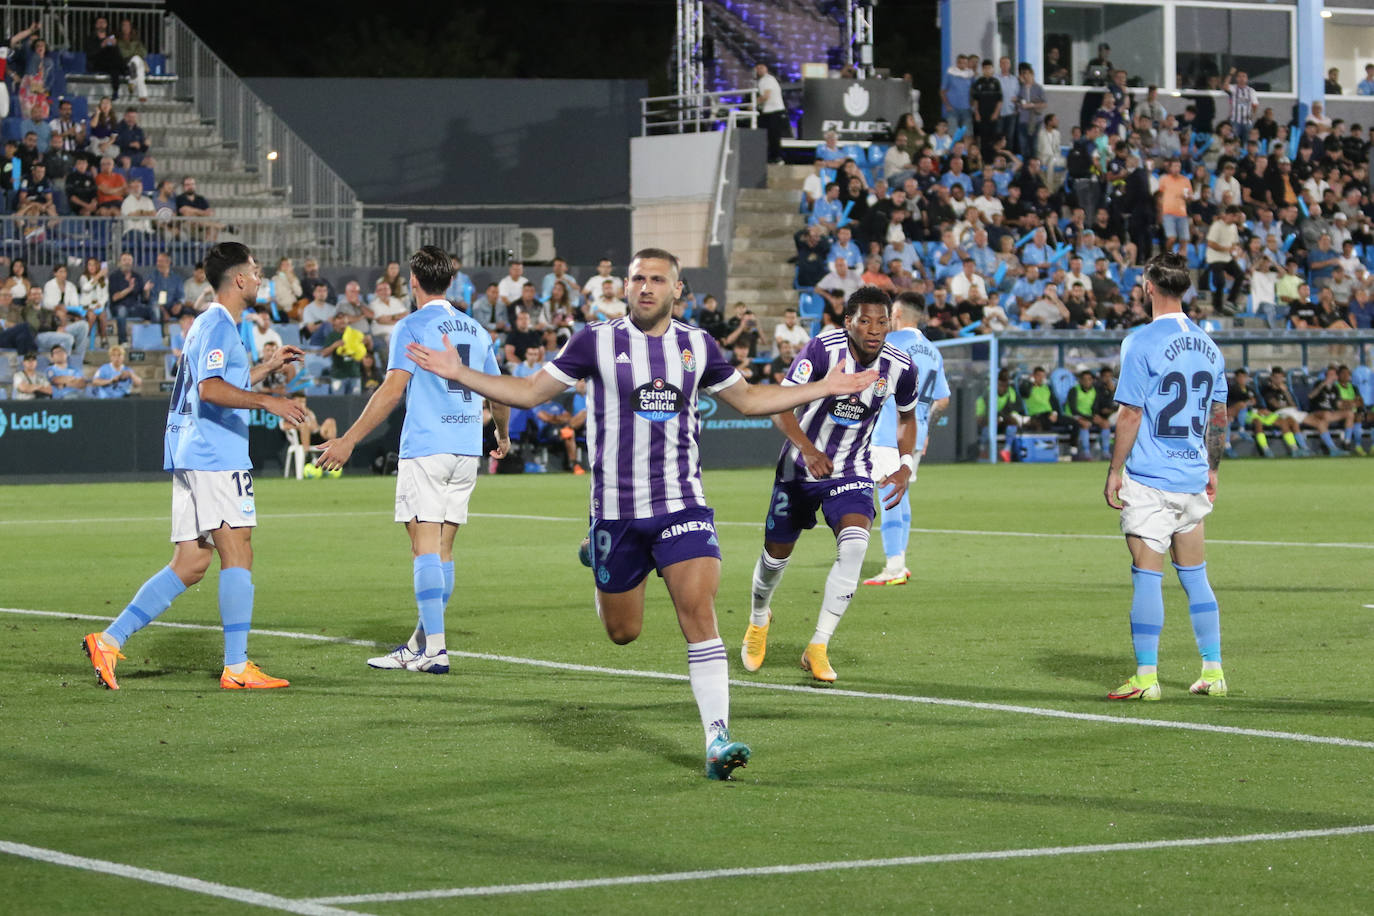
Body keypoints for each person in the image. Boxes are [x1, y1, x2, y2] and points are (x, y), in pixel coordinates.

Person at [403, 248, 878, 779]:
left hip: (682, 504)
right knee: (622, 633)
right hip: (616, 513)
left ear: (677, 291)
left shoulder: (699, 346)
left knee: (699, 614)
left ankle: (717, 737)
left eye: (657, 280)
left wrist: (827, 387)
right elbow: (531, 393)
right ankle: (596, 552)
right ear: (623, 288)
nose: (645, 287)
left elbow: (748, 400)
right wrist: (460, 372)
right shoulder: (594, 341)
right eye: (637, 279)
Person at [81, 242, 307, 691]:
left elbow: (219, 381)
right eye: (257, 271)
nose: (261, 278)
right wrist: (269, 401)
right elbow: (210, 390)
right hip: (215, 455)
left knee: (190, 562)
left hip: (191, 453)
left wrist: (265, 368)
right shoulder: (220, 324)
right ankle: (238, 667)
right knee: (238, 549)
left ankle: (108, 640)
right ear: (239, 278)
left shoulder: (209, 323)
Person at [317, 246, 511, 674]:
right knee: (443, 550)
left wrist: (348, 440)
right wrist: (502, 433)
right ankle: (419, 645)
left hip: (427, 446)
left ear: (414, 282)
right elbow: (498, 390)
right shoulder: (477, 331)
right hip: (465, 448)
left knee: (423, 548)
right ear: (451, 283)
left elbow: (391, 391)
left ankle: (436, 651)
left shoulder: (412, 325)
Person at [742, 285, 920, 684]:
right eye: (865, 321)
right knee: (774, 559)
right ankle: (758, 619)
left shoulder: (901, 366)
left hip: (852, 469)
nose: (874, 329)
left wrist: (905, 465)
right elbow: (779, 404)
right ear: (848, 322)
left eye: (882, 321)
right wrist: (806, 449)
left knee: (856, 544)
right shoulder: (824, 349)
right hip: (798, 468)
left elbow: (908, 419)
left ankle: (818, 645)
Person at [1103, 252, 1229, 702]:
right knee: (1196, 576)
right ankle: (1213, 670)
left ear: (1149, 288)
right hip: (1192, 476)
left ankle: (1146, 677)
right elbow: (1218, 414)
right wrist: (1212, 468)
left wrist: (1115, 471)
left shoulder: (1139, 342)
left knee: (1147, 575)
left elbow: (1131, 413)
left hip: (1151, 477)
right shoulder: (1209, 345)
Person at [863, 292, 949, 586]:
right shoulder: (933, 351)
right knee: (901, 494)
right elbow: (944, 399)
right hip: (915, 434)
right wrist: (925, 427)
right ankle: (899, 559)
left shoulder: (893, 343)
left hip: (889, 431)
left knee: (888, 493)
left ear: (896, 312)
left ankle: (894, 566)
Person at [755, 61, 787, 163]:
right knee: (770, 136)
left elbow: (766, 95)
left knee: (774, 136)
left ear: (766, 69)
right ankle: (772, 157)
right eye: (758, 68)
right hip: (768, 111)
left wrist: (753, 104)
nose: (759, 70)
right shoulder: (763, 81)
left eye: (761, 67)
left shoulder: (767, 80)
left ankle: (777, 157)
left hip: (774, 111)